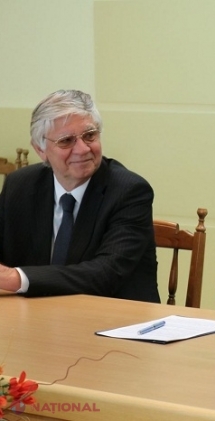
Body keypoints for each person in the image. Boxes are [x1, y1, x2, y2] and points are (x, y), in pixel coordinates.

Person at [0, 89, 160, 302]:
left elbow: (106, 274)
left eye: (89, 135)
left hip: (116, 315)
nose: (83, 149)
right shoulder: (20, 185)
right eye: (66, 140)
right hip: (39, 313)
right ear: (40, 149)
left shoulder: (130, 191)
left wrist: (15, 278)